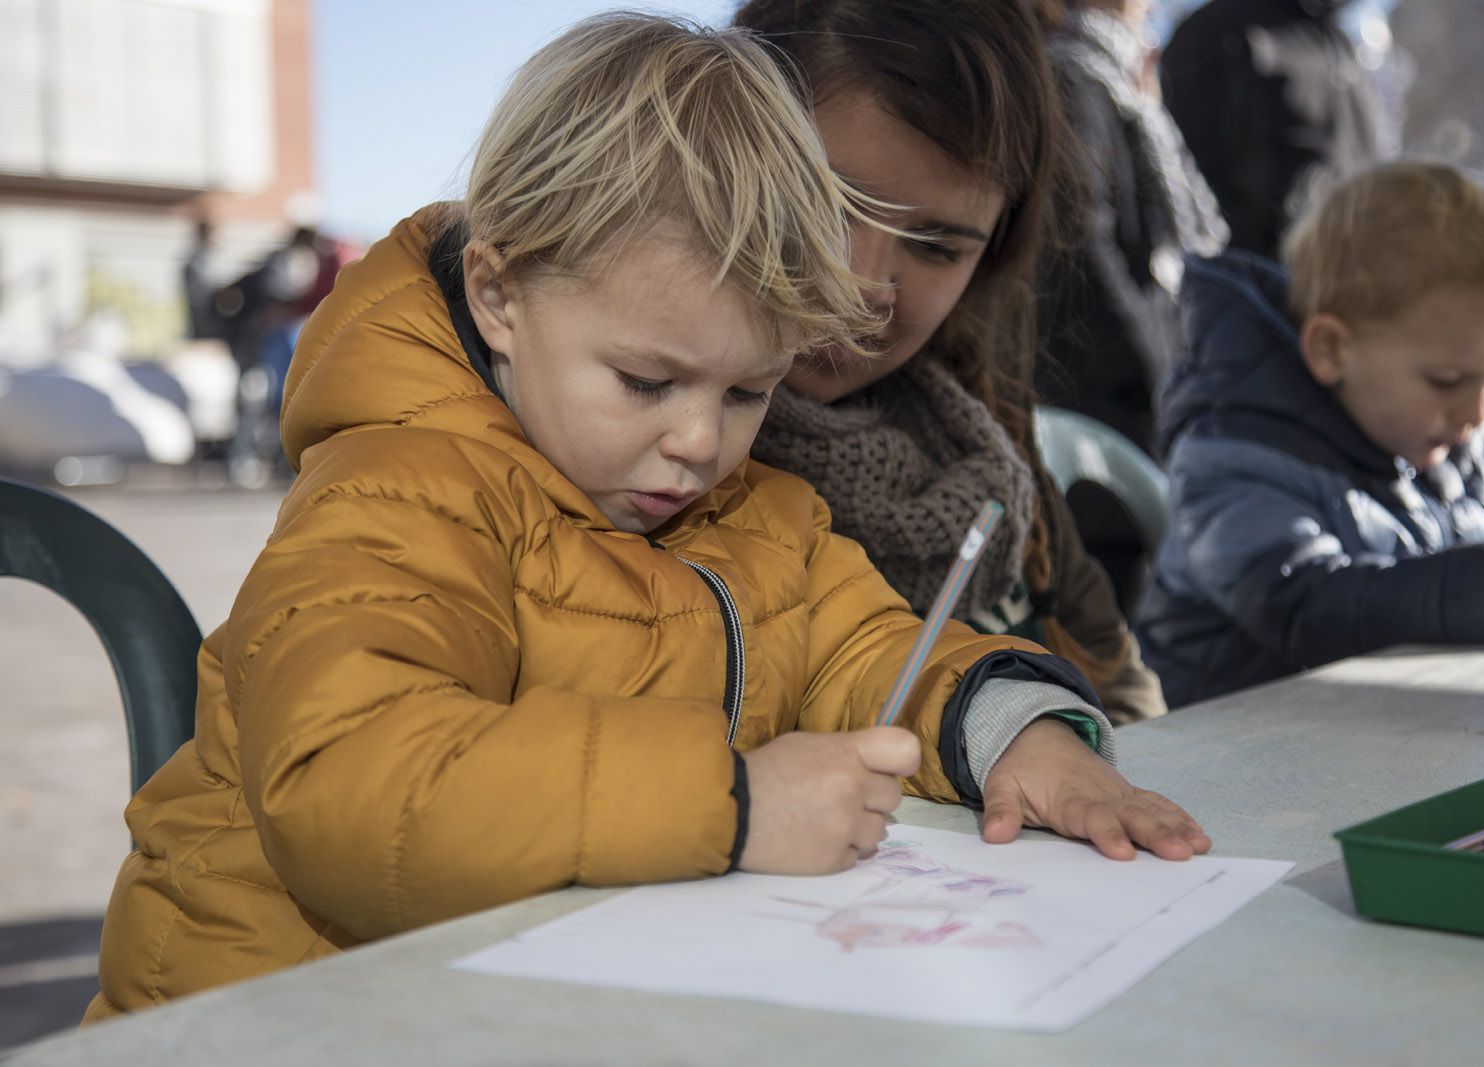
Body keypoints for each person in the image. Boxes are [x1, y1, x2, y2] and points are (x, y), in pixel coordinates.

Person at [87, 13, 1210, 1021]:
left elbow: (868, 648)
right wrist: (729, 803)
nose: (698, 441)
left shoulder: (750, 508)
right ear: (500, 295)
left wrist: (1018, 731)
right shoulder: (397, 493)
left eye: (745, 391)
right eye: (644, 381)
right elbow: (347, 779)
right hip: (275, 1018)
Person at [733, 0, 1167, 726]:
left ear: (990, 263)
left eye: (937, 247)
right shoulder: (616, 441)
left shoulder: (980, 428)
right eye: (825, 202)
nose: (864, 284)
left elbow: (1123, 694)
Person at [1136, 160, 1484, 708]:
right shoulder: (1231, 454)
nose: (1480, 408)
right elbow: (1309, 605)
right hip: (1234, 752)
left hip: (1386, 731)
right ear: (1332, 349)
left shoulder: (1450, 438)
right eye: (1447, 379)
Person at [1032, 0, 1228, 460]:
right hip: (1104, 396)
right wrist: (1152, 372)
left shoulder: (1125, 82)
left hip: (1147, 383)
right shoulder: (1072, 74)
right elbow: (1079, 241)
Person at [1160, 0, 1381, 261]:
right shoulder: (1216, 31)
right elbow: (1184, 177)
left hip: (1355, 273)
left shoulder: (1340, 41)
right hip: (1261, 279)